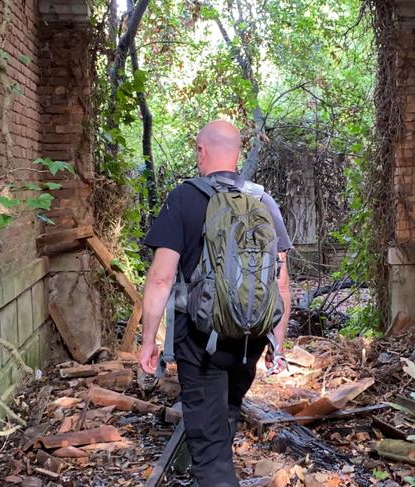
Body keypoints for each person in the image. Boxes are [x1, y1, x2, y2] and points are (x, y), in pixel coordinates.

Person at [138, 120, 293, 486]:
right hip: (249, 338)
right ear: (238, 153)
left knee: (209, 450)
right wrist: (277, 343)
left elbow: (161, 278)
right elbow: (282, 284)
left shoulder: (184, 198)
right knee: (224, 415)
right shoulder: (263, 201)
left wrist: (148, 341)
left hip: (200, 341)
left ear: (201, 151)